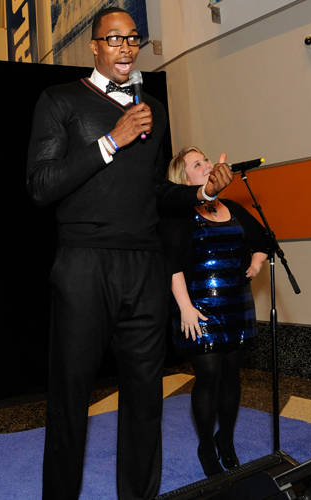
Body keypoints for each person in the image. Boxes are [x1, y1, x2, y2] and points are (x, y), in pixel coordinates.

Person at [26, 8, 232, 499]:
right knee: (70, 399)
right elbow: (41, 186)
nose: (125, 46)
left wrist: (202, 195)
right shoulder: (59, 100)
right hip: (83, 263)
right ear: (94, 46)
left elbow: (157, 192)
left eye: (132, 38)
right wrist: (110, 141)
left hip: (145, 266)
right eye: (113, 38)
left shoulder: (154, 109)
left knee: (145, 399)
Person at [159, 146, 271, 477]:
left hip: (237, 306)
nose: (207, 165)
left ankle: (227, 441)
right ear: (185, 179)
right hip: (199, 309)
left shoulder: (233, 208)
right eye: (198, 164)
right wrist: (185, 309)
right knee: (208, 375)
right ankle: (206, 445)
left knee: (232, 376)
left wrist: (256, 260)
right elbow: (171, 264)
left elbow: (264, 239)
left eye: (206, 159)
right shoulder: (179, 215)